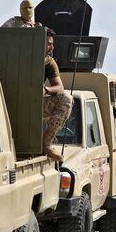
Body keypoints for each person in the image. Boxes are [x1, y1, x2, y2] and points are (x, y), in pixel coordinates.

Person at [42, 28, 74, 160]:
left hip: (36, 103)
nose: (52, 47)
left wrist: (46, 90)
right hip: (10, 102)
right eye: (48, 43)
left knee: (66, 99)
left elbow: (59, 87)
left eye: (52, 43)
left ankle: (46, 143)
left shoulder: (48, 62)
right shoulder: (22, 56)